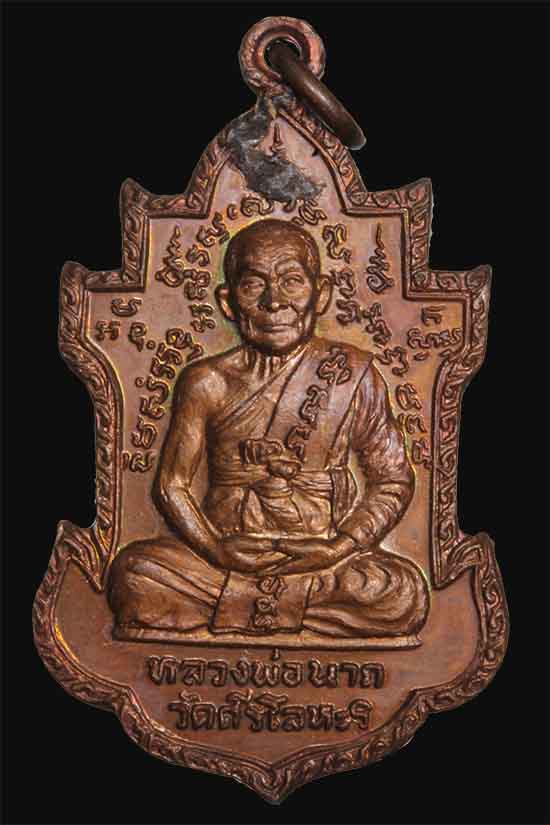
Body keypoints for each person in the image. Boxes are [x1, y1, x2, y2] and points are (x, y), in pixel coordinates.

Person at [108, 218, 429, 639]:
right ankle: (284, 609)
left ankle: (246, 607)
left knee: (399, 591)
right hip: (224, 556)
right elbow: (172, 486)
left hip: (322, 556)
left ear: (321, 294)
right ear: (228, 303)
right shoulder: (207, 382)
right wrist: (215, 548)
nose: (274, 301)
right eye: (253, 285)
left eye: (292, 281)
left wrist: (341, 545)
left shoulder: (352, 374)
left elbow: (392, 479)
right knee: (134, 574)